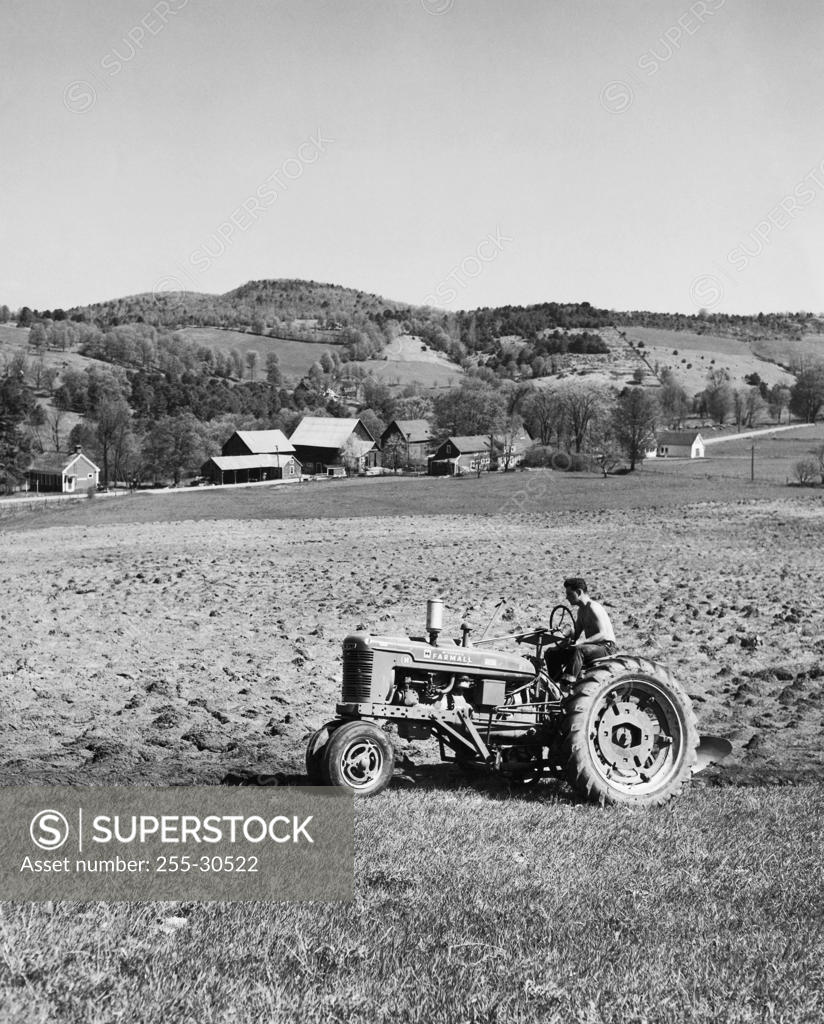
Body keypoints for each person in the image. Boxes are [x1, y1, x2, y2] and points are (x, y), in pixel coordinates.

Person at [546, 577, 617, 684]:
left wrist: (582, 642)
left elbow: (602, 634)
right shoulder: (581, 611)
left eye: (569, 594)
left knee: (579, 649)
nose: (566, 597)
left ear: (579, 592)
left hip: (605, 648)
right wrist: (560, 643)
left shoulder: (593, 607)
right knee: (551, 653)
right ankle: (554, 685)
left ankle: (567, 684)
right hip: (590, 649)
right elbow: (575, 635)